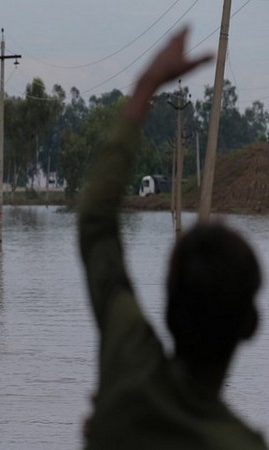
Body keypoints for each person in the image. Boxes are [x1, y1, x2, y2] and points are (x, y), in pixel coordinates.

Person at [78, 28, 266, 449]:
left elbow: (95, 224)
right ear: (250, 325)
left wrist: (146, 86)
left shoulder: (129, 375)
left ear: (168, 306)